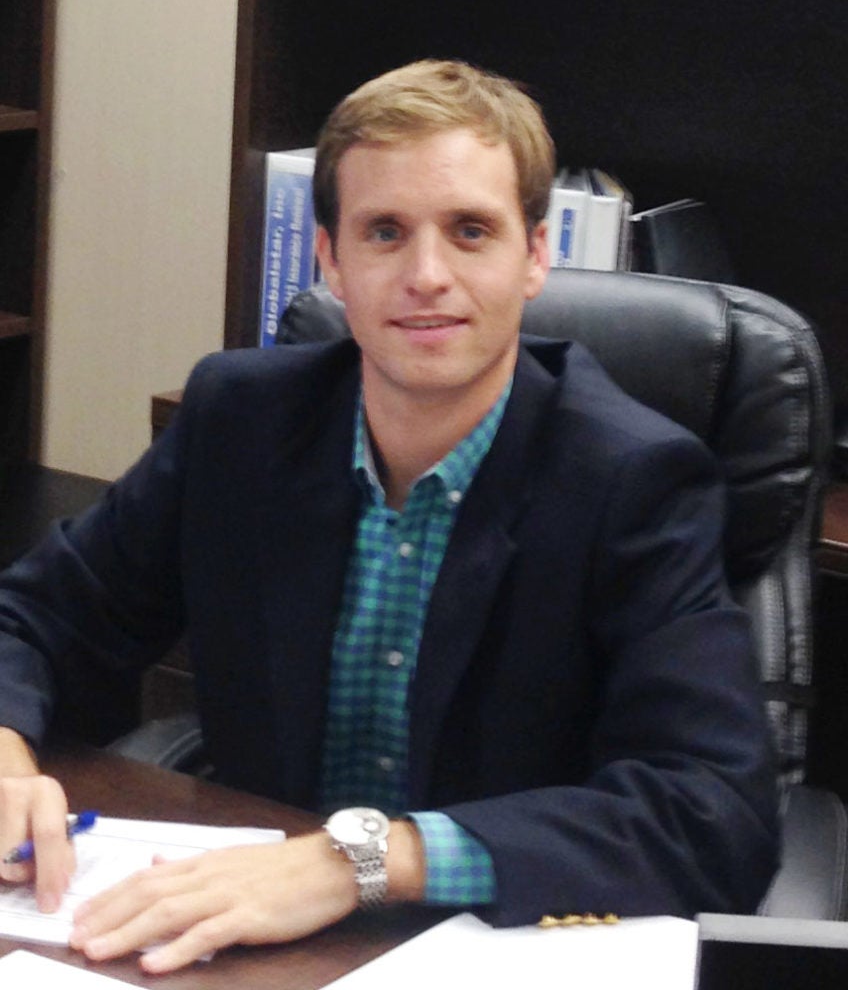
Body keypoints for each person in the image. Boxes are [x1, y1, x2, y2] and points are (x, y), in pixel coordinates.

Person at [0, 59, 778, 973]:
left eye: (470, 231)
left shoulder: (633, 480)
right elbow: (39, 616)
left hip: (486, 945)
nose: (427, 275)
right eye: (384, 232)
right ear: (330, 259)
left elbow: (711, 814)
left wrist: (362, 860)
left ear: (535, 255)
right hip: (249, 940)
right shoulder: (240, 420)